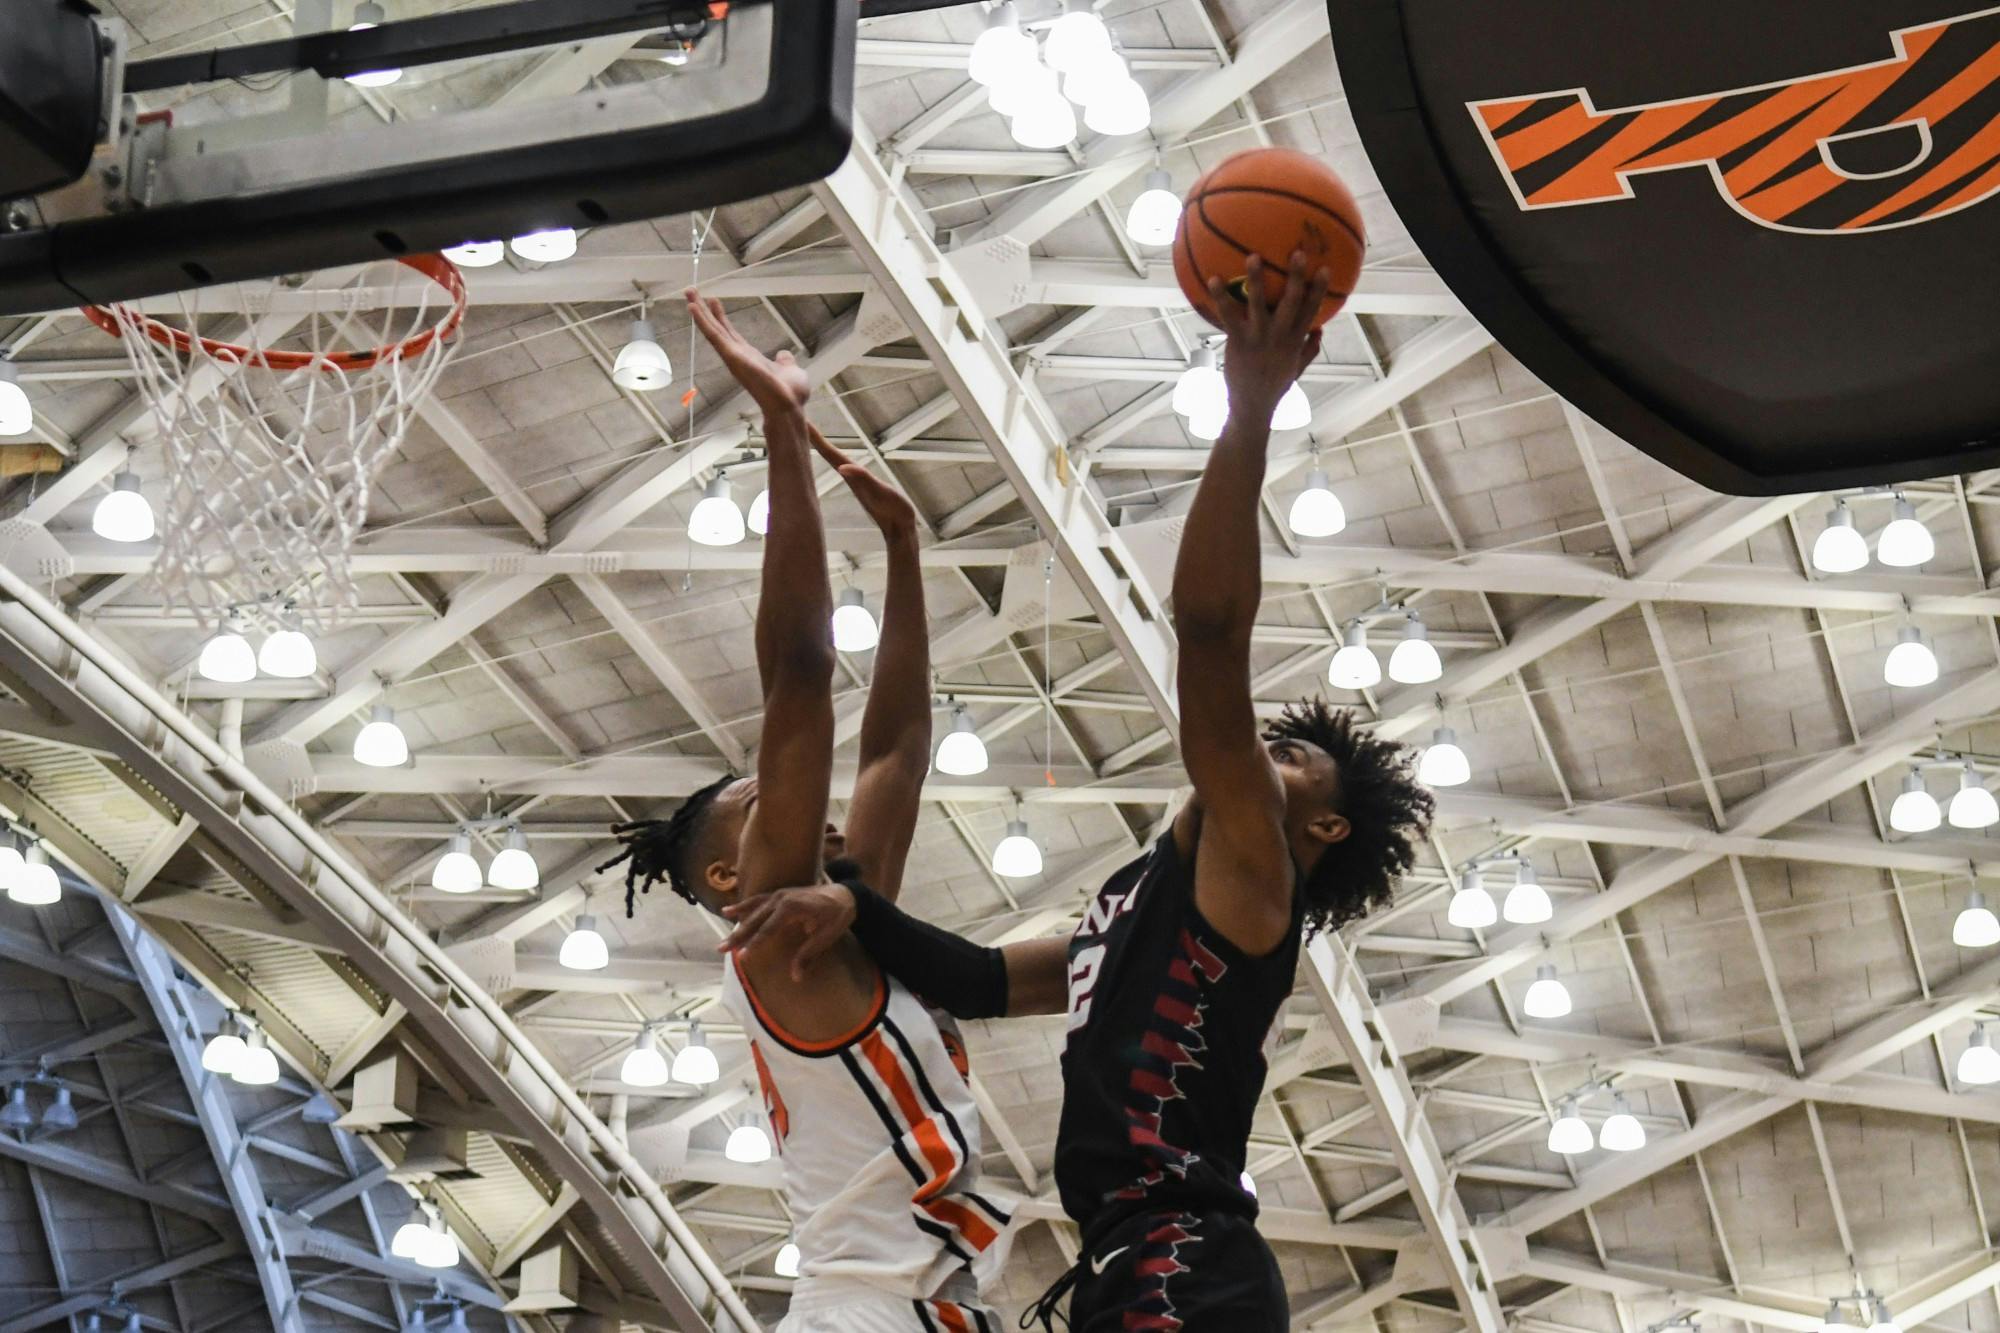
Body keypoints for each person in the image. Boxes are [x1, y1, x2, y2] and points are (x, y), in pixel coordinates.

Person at [717, 255, 1437, 1330]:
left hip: (1185, 1263)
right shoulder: (1129, 911)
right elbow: (971, 978)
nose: (1254, 758)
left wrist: (1248, 412)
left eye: (1287, 762)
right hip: (1131, 1266)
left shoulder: (1255, 871)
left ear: (1317, 827)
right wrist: (854, 903)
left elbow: (1207, 634)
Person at [599, 290, 1010, 1333]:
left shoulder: (837, 929)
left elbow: (896, 754)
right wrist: (784, 431)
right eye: (761, 802)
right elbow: (798, 670)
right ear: (725, 879)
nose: (807, 811)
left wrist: (906, 550)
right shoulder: (779, 934)